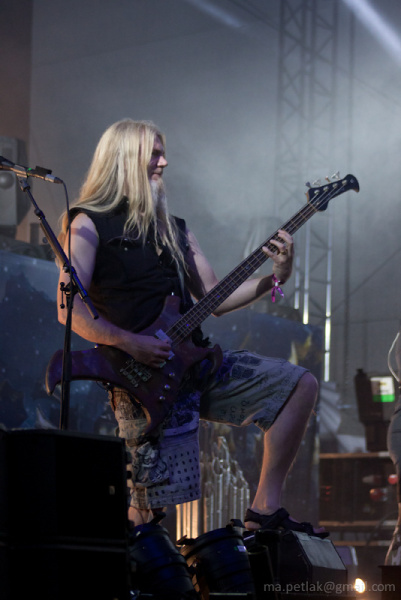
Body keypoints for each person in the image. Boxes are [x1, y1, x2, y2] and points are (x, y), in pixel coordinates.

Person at [57, 118, 326, 537]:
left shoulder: (175, 229)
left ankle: (264, 508)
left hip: (195, 364)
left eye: (163, 153)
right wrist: (131, 343)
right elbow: (69, 310)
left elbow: (216, 297)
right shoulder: (87, 224)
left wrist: (278, 276)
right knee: (149, 511)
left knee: (297, 385)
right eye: (155, 154)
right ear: (125, 158)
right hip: (140, 379)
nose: (164, 162)